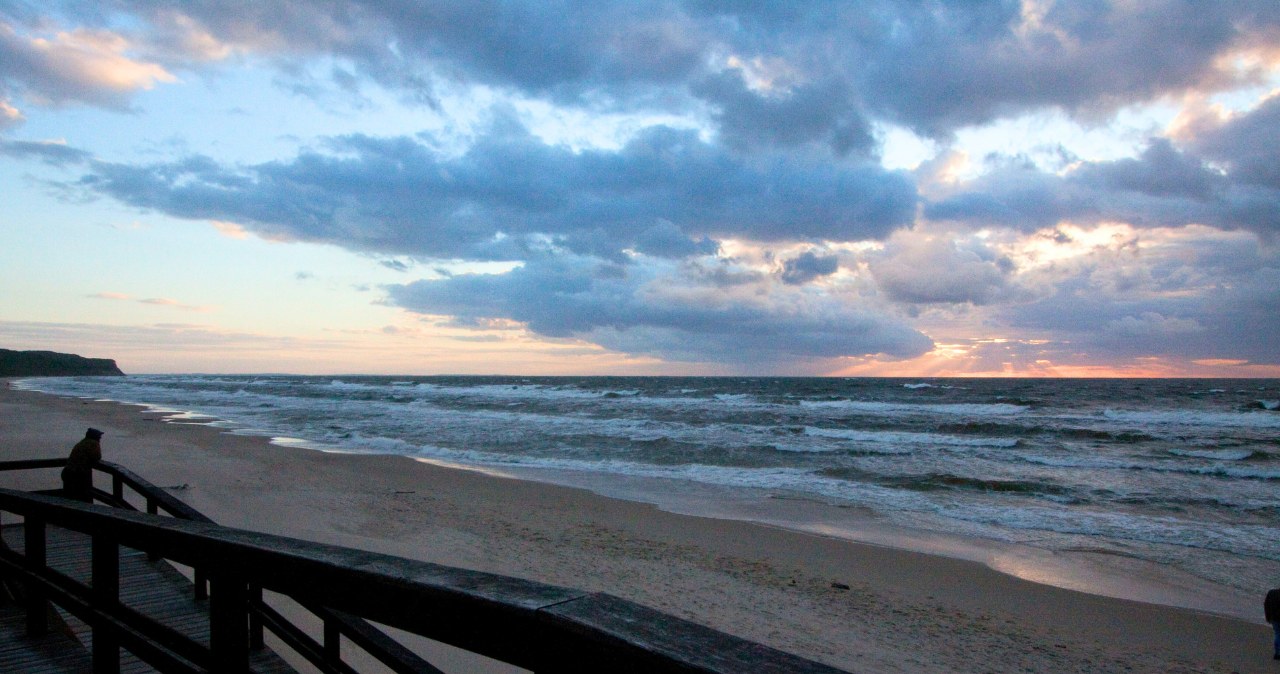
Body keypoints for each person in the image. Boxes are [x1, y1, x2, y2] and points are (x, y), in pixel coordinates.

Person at [60, 427, 103, 503]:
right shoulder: (94, 443)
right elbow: (97, 457)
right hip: (77, 474)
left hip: (67, 472)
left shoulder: (82, 442)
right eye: (99, 436)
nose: (100, 438)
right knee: (80, 499)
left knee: (69, 498)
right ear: (95, 437)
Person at [1267, 587, 1280, 660]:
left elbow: (1266, 604)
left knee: (1277, 634)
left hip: (1274, 618)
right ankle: (1278, 653)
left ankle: (1277, 653)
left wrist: (1268, 616)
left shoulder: (1272, 593)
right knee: (1278, 634)